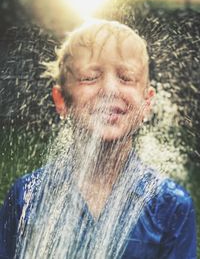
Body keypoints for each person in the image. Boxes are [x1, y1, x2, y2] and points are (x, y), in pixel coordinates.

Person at [0, 19, 197, 259]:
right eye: (90, 77)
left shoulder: (170, 207)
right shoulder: (27, 197)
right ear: (61, 100)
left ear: (147, 103)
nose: (110, 89)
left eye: (126, 77)